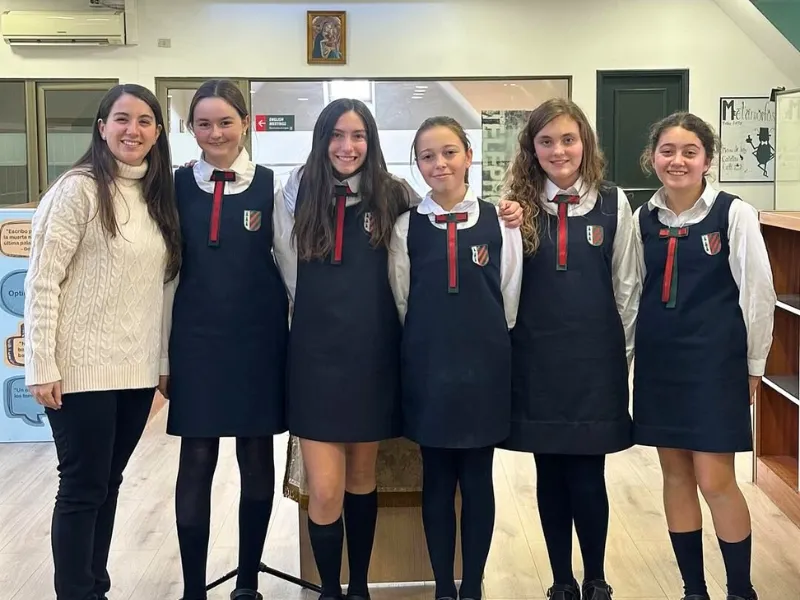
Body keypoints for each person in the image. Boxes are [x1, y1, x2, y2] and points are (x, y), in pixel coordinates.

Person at [274, 98, 523, 600]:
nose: (347, 146)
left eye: (358, 135)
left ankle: (360, 587)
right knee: (325, 488)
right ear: (321, 140)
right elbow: (288, 267)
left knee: (363, 476)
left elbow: (409, 287)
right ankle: (330, 590)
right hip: (316, 357)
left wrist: (509, 209)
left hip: (373, 357)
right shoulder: (296, 192)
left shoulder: (394, 196)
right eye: (336, 135)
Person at [24, 83, 181, 600]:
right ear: (102, 127)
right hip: (79, 369)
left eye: (144, 121)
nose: (132, 130)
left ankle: (95, 587)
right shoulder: (78, 189)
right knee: (82, 486)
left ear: (157, 132)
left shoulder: (157, 197)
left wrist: (161, 362)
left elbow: (161, 289)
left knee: (107, 484)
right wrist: (40, 363)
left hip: (134, 371)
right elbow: (42, 281)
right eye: (121, 119)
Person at [499, 98, 641, 600]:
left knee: (588, 472)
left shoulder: (612, 203)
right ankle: (561, 579)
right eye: (546, 141)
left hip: (595, 362)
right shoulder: (515, 207)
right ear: (531, 148)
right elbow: (506, 288)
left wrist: (621, 356)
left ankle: (596, 577)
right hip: (535, 359)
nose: (558, 151)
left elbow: (627, 287)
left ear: (585, 144)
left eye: (568, 139)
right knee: (549, 471)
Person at [632, 112, 775, 600]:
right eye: (667, 151)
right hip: (659, 364)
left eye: (689, 152)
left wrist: (754, 367)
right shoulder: (642, 219)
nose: (678, 161)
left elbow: (758, 295)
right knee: (675, 476)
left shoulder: (734, 214)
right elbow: (631, 292)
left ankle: (740, 590)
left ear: (707, 160)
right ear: (653, 158)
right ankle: (693, 590)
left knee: (715, 479)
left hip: (715, 365)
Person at [160, 79, 291, 600]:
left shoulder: (271, 187)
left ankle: (247, 583)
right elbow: (165, 276)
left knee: (256, 461)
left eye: (225, 122)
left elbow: (290, 268)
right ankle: (194, 589)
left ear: (245, 124)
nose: (215, 133)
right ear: (191, 128)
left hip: (258, 342)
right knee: (196, 461)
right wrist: (163, 355)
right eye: (204, 123)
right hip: (196, 342)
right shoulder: (175, 186)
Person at [388, 116, 523, 600]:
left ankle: (472, 586)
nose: (439, 163)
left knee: (478, 478)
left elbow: (509, 297)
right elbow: (401, 299)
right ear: (417, 164)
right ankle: (444, 586)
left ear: (469, 155)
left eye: (449, 152)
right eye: (427, 156)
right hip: (428, 368)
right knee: (437, 479)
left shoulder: (499, 221)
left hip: (484, 369)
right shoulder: (406, 226)